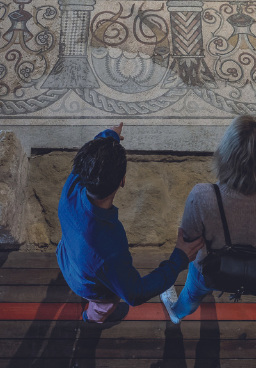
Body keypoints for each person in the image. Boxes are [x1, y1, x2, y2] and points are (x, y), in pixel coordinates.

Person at [57, 123, 206, 323]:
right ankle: (91, 318)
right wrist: (179, 259)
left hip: (66, 259)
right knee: (103, 307)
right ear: (122, 181)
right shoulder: (109, 250)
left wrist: (109, 136)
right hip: (90, 288)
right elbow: (135, 294)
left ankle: (89, 315)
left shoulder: (72, 187)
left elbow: (90, 156)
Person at [161, 115, 256, 323]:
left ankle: (177, 313)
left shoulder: (203, 196)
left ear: (226, 155)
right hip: (250, 272)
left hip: (207, 267)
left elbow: (189, 241)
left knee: (192, 294)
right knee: (215, 285)